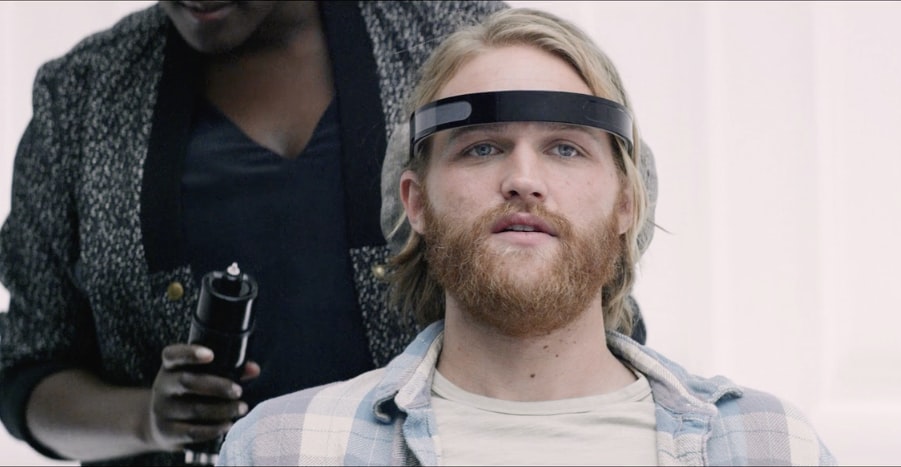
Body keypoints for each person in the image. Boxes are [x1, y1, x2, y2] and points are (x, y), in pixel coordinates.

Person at [216, 7, 835, 466]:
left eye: (565, 149)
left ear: (627, 202)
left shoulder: (771, 446)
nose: (523, 180)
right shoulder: (285, 449)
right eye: (482, 148)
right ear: (416, 202)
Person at [0, 2, 525, 465]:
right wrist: (150, 421)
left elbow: (560, 294)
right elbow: (29, 368)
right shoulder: (82, 94)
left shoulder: (460, 41)